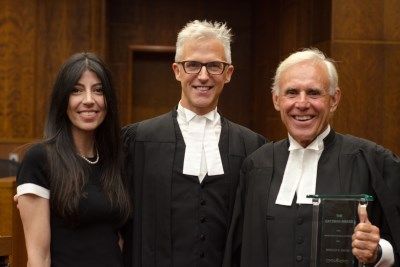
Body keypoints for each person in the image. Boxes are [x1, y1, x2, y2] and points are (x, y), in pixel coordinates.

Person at [223, 48, 400, 267]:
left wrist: (379, 252)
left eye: (314, 93)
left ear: (334, 99)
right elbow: (239, 252)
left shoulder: (373, 162)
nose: (302, 103)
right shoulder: (255, 166)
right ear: (277, 100)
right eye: (292, 92)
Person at [121, 20, 266, 267]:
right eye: (193, 65)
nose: (203, 75)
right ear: (177, 70)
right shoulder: (137, 140)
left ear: (228, 73)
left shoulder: (252, 147)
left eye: (214, 66)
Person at [15, 52, 131, 267]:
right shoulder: (39, 159)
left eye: (98, 90)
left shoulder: (115, 160)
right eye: (76, 90)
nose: (89, 100)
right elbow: (39, 258)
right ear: (63, 99)